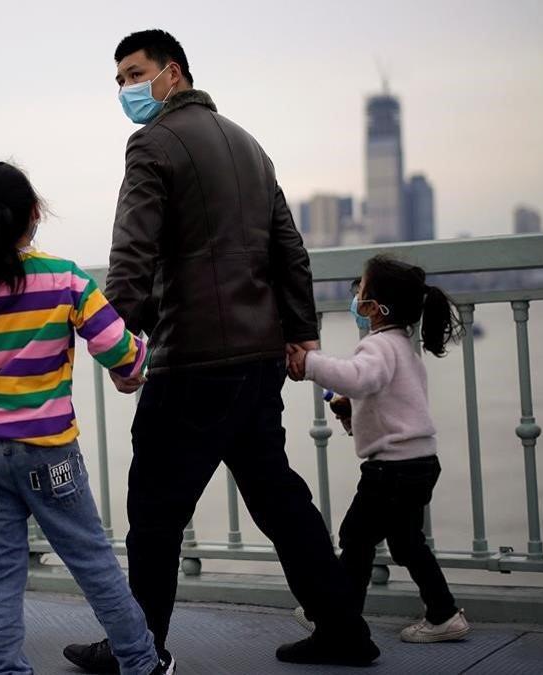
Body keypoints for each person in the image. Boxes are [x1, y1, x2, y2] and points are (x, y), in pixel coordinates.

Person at [62, 29, 379, 670]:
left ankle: (138, 649)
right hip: (257, 357)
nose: (125, 89)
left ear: (171, 73)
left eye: (134, 73)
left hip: (196, 360)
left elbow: (134, 252)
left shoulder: (151, 143)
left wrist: (119, 342)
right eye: (118, 79)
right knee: (278, 497)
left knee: (154, 510)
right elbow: (288, 247)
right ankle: (344, 627)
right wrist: (300, 330)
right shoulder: (248, 144)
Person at [0, 161, 175, 675]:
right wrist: (140, 359)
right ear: (34, 215)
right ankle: (142, 665)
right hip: (47, 450)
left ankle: (7, 669)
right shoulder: (63, 278)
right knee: (93, 563)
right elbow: (119, 351)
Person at [289, 255, 472, 643]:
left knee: (355, 537)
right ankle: (443, 613)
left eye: (360, 289)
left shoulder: (377, 347)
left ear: (374, 308)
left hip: (391, 470)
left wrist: (310, 363)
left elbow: (359, 379)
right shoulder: (403, 346)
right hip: (420, 462)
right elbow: (391, 404)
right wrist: (351, 413)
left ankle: (338, 618)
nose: (355, 295)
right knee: (406, 542)